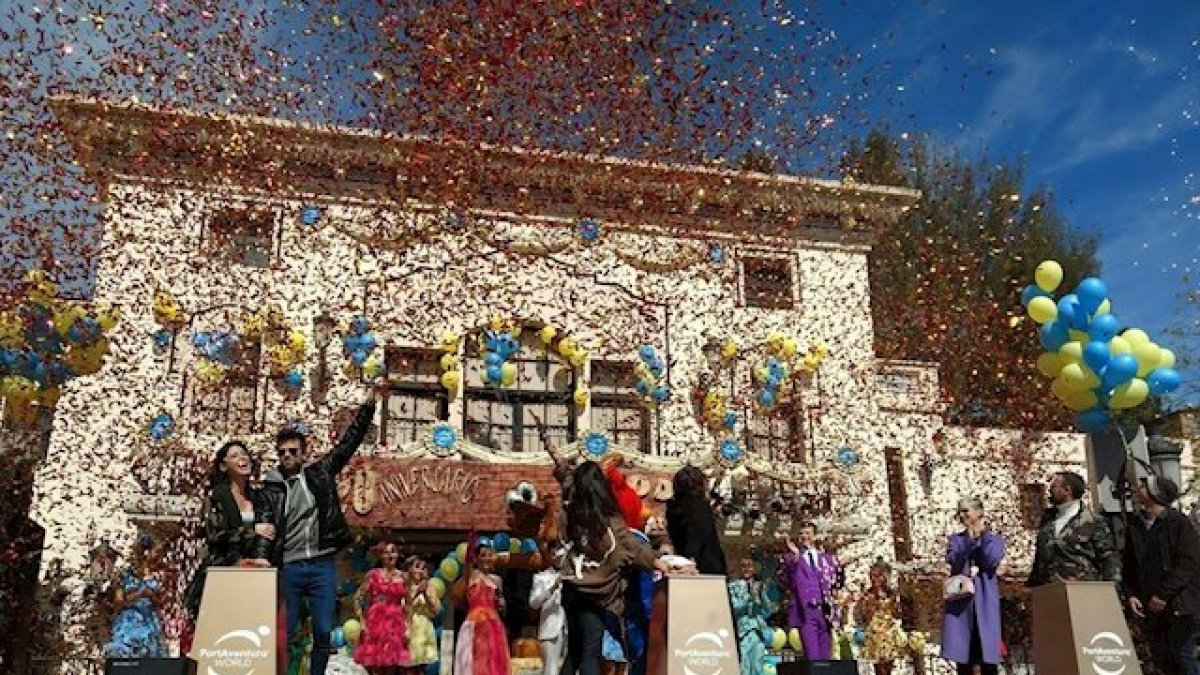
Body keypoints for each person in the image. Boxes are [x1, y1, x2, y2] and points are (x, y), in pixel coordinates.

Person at [262, 382, 384, 675]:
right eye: (282, 452)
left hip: (321, 565)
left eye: (293, 451)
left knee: (323, 631)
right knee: (286, 631)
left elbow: (347, 445)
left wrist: (368, 406)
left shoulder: (319, 473)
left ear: (304, 454)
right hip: (290, 566)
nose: (287, 456)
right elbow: (263, 525)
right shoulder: (271, 488)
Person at [560, 462, 670, 675]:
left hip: (571, 586)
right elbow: (630, 545)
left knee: (574, 650)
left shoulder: (569, 514)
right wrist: (658, 563)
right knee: (591, 650)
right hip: (597, 591)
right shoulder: (607, 517)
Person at [185, 441, 275, 619]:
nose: (242, 458)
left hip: (252, 575)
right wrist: (252, 530)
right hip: (221, 572)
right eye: (234, 456)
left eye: (244, 454)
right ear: (223, 466)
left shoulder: (258, 497)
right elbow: (215, 535)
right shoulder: (217, 496)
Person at [1124, 476, 1200, 675]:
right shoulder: (1135, 526)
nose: (1138, 488)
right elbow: (1130, 564)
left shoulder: (1179, 523)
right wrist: (1132, 594)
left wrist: (1164, 594)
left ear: (1155, 494)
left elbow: (1188, 564)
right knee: (1160, 659)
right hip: (1148, 605)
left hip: (1177, 604)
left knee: (1183, 656)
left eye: (1144, 486)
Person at [941, 497, 1005, 675]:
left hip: (985, 603)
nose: (962, 515)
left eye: (966, 511)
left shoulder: (994, 540)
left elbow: (990, 560)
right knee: (965, 660)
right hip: (962, 606)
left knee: (987, 659)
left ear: (979, 512)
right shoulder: (956, 540)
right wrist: (968, 540)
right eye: (959, 512)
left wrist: (982, 537)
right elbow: (954, 561)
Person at [1026, 471, 1119, 587]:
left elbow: (1109, 559)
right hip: (1050, 591)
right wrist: (1030, 587)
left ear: (1067, 490)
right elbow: (1039, 560)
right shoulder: (1048, 521)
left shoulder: (1093, 522)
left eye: (1054, 487)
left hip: (1083, 591)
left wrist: (1111, 589)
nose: (1049, 490)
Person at [780, 523, 841, 660]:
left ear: (814, 536)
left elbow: (835, 582)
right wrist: (795, 557)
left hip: (824, 611)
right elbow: (786, 579)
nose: (804, 537)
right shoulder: (791, 558)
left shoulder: (826, 558)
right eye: (801, 534)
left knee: (826, 658)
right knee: (812, 657)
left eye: (807, 533)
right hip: (806, 611)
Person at [104, 534, 168, 658]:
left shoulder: (158, 575)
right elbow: (118, 602)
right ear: (146, 552)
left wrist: (152, 596)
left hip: (150, 621)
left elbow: (160, 603)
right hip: (130, 621)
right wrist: (140, 593)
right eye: (156, 552)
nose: (159, 556)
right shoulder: (124, 575)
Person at [453, 544, 510, 675]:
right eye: (483, 555)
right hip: (475, 624)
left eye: (490, 555)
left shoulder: (497, 580)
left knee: (493, 663)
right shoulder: (471, 575)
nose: (487, 558)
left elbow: (501, 602)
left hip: (493, 625)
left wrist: (501, 603)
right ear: (476, 559)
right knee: (476, 662)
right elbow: (467, 565)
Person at [354, 541, 410, 674]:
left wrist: (408, 626)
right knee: (373, 665)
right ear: (380, 555)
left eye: (393, 552)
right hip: (376, 621)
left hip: (395, 623)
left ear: (398, 554)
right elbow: (357, 598)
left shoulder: (404, 577)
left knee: (392, 665)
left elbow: (409, 603)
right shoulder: (373, 574)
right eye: (386, 552)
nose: (390, 555)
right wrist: (362, 621)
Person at [665, 465, 727, 576]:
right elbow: (697, 534)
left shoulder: (673, 508)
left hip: (683, 560)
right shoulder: (699, 506)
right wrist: (690, 560)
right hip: (706, 567)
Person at [855, 560, 903, 675]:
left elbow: (897, 614)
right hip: (874, 637)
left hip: (889, 636)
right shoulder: (867, 595)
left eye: (878, 576)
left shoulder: (892, 594)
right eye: (872, 576)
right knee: (879, 670)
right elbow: (860, 615)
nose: (874, 579)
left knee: (888, 668)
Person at [729, 558, 770, 675]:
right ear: (739, 569)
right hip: (742, 630)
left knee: (757, 665)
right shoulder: (732, 586)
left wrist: (763, 596)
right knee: (744, 665)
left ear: (754, 569)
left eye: (750, 566)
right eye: (744, 566)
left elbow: (768, 611)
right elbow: (733, 608)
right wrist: (749, 597)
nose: (747, 569)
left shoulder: (759, 585)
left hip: (758, 630)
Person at [403, 557, 439, 675]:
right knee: (407, 668)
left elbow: (435, 611)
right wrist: (417, 592)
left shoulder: (430, 587)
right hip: (408, 628)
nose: (421, 571)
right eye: (417, 567)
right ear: (409, 569)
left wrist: (425, 594)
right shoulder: (403, 587)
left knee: (422, 669)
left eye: (423, 568)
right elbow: (402, 608)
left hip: (424, 629)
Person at [530, 561, 566, 675]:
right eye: (555, 554)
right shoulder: (541, 577)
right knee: (551, 670)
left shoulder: (573, 575)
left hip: (569, 627)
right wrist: (551, 589)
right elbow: (533, 603)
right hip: (551, 629)